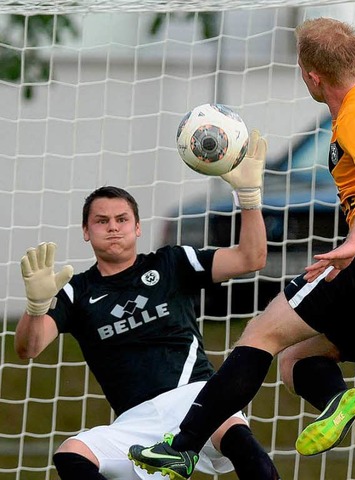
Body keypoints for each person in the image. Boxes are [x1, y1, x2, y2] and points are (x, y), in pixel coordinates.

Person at [128, 16, 355, 477]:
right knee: (297, 357)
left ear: (311, 76)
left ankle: (181, 446)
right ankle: (335, 397)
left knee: (261, 334)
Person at [15, 132, 282, 480]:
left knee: (237, 436)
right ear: (85, 231)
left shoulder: (171, 263)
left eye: (122, 219)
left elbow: (251, 257)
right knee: (71, 454)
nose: (113, 228)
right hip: (134, 421)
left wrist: (249, 198)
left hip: (196, 398)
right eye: (101, 221)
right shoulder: (74, 291)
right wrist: (36, 307)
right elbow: (28, 348)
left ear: (137, 227)